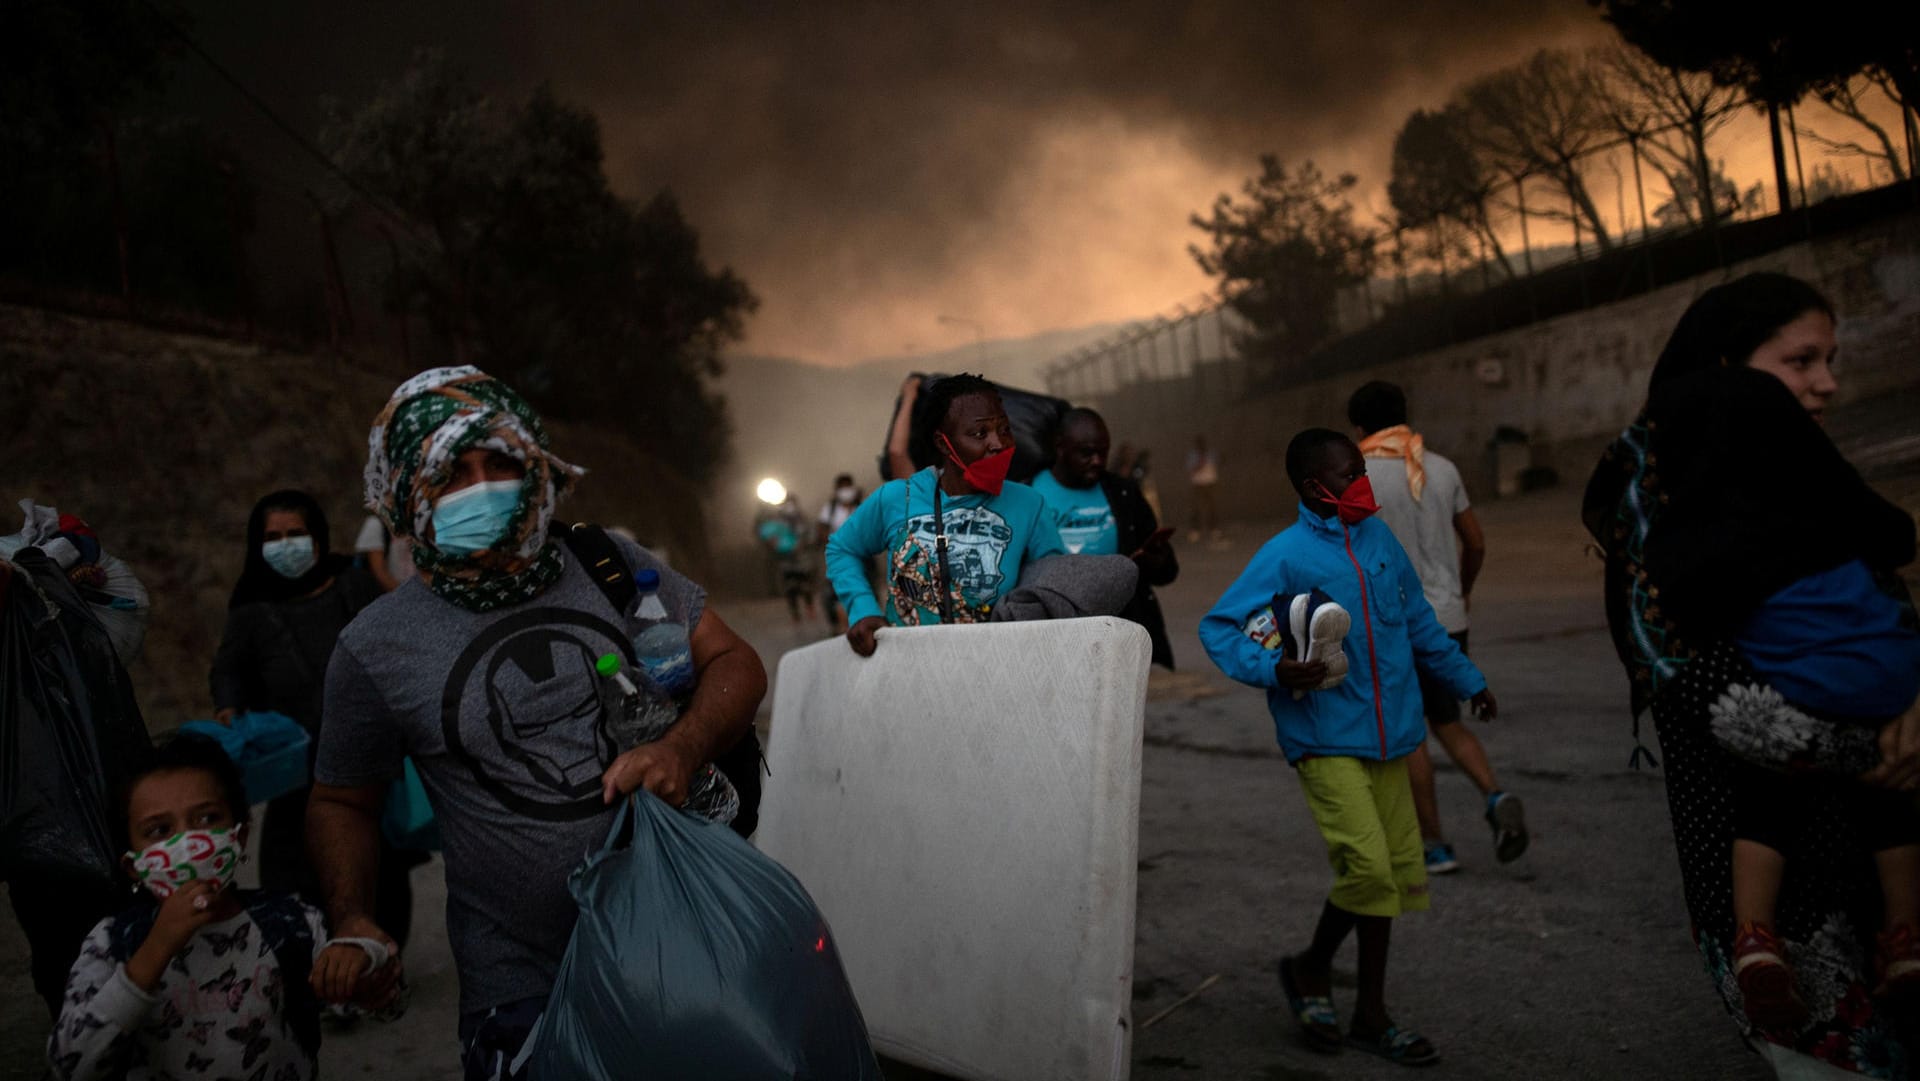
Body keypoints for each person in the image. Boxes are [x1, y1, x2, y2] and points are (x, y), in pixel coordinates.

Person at [305, 366, 767, 1080]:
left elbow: (734, 659)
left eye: (502, 463)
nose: (484, 486)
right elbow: (342, 800)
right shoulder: (373, 648)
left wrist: (683, 745)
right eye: (454, 471)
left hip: (688, 936)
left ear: (537, 467)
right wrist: (353, 917)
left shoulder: (608, 560)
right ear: (404, 489)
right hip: (524, 988)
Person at [1584, 271, 1920, 1075]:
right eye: (1801, 360)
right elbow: (1715, 699)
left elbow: (1888, 611)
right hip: (1771, 873)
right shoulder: (1656, 518)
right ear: (1725, 367)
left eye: (1832, 359)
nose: (1828, 382)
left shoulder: (1820, 486)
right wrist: (1880, 740)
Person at [1200, 428, 1495, 1066]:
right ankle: (1315, 972)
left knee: (1388, 875)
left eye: (1360, 468)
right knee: (1367, 869)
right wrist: (1275, 670)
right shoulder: (1284, 556)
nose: (1361, 482)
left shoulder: (1380, 541)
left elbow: (1418, 620)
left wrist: (1467, 680)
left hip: (1393, 739)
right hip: (1323, 738)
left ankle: (1363, 1008)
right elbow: (1221, 628)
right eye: (1348, 474)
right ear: (1315, 488)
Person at [48, 735, 398, 1081]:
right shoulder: (112, 943)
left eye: (206, 819)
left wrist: (366, 961)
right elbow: (70, 1065)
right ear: (133, 865)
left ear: (239, 836)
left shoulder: (290, 923)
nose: (186, 843)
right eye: (159, 829)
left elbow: (386, 1004)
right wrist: (155, 949)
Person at [208, 490, 416, 945]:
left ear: (317, 539)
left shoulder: (353, 585)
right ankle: (315, 952)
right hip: (293, 758)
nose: (286, 544)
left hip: (363, 749)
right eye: (274, 537)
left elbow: (394, 645)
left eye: (295, 534)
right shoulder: (250, 606)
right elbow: (229, 667)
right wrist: (228, 706)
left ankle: (381, 948)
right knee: (293, 861)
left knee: (378, 855)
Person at [1347, 381, 1526, 874]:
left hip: (1394, 624)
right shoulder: (1441, 468)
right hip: (1448, 619)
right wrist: (1461, 590)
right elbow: (1476, 541)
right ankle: (1495, 794)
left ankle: (1435, 845)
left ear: (1360, 427)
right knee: (1448, 721)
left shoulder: (1358, 476)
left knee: (1410, 736)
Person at [825, 373, 1066, 657]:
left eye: (1004, 429)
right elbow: (842, 548)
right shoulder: (896, 498)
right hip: (910, 668)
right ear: (943, 444)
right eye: (980, 434)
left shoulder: (1030, 504)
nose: (998, 443)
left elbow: (1053, 584)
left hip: (996, 668)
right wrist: (863, 609)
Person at [1028, 408, 1180, 668]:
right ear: (1060, 447)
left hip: (1120, 630)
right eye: (1086, 453)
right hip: (1054, 632)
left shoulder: (1123, 492)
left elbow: (1168, 571)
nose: (1097, 461)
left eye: (1103, 452)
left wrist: (1158, 562)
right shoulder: (1025, 492)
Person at [756, 491, 817, 624]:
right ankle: (795, 614)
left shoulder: (804, 519)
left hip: (803, 560)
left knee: (806, 586)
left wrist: (803, 544)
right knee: (790, 588)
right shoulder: (775, 522)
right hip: (785, 561)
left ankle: (810, 608)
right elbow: (765, 534)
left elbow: (812, 536)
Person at [817, 474, 865, 634]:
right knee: (836, 594)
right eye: (842, 488)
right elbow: (821, 530)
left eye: (848, 487)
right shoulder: (829, 509)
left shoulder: (862, 506)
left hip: (862, 557)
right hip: (838, 558)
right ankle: (840, 627)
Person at [352, 514, 415, 592]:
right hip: (388, 595)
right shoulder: (376, 524)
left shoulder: (417, 523)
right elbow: (379, 572)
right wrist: (405, 595)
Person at [1185, 434, 1221, 543]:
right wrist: (1200, 463)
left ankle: (1213, 529)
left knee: (1212, 507)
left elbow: (1218, 462)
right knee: (1196, 507)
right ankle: (1195, 530)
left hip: (1210, 483)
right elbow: (1191, 469)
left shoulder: (1211, 453)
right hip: (1198, 484)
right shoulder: (1192, 456)